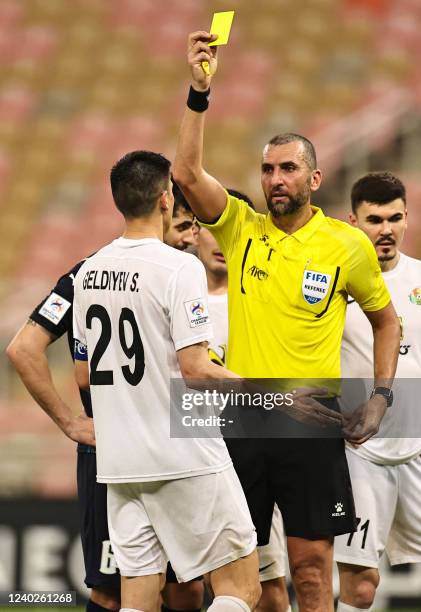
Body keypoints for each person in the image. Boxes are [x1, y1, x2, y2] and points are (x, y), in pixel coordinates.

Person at [172, 31, 401, 612]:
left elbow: (386, 321)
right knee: (236, 580)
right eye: (268, 169)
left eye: (289, 169)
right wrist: (200, 93)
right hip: (245, 416)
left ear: (315, 179)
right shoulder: (240, 228)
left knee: (311, 575)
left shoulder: (346, 245)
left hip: (312, 418)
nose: (276, 179)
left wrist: (379, 397)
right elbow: (186, 172)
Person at [72, 150, 261, 612]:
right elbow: (196, 371)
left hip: (120, 462)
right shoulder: (179, 268)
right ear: (165, 198)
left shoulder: (87, 272)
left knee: (138, 598)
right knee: (241, 588)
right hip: (183, 453)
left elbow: (84, 373)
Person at [5, 195, 211, 612]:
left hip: (171, 451)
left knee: (185, 588)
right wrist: (70, 422)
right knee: (113, 589)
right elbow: (24, 348)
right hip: (117, 454)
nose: (193, 238)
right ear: (162, 212)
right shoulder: (90, 276)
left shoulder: (103, 273)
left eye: (197, 228)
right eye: (185, 226)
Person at [334, 172, 421, 612]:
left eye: (395, 218)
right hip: (361, 452)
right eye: (374, 219)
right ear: (353, 221)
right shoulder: (335, 287)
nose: (386, 229)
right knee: (362, 585)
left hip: (418, 448)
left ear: (407, 218)